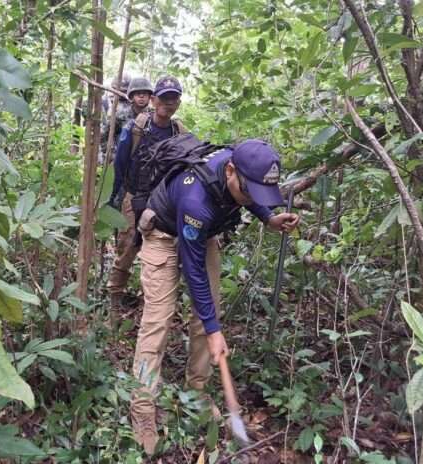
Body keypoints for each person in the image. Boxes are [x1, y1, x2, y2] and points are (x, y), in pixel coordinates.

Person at [129, 139, 300, 454]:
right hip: (163, 234)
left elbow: (248, 194)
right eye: (250, 191)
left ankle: (197, 392)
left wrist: (268, 217)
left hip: (203, 234)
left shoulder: (242, 171)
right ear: (230, 171)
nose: (252, 197)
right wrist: (213, 330)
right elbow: (193, 270)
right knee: (158, 322)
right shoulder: (196, 199)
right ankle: (142, 409)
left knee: (208, 315)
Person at [105, 76, 187, 312]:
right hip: (134, 197)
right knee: (127, 249)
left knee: (161, 253)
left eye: (173, 99)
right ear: (154, 100)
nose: (168, 103)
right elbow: (120, 165)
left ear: (178, 103)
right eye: (164, 98)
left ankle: (152, 303)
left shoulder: (179, 131)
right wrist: (114, 200)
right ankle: (114, 301)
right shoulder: (136, 128)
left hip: (165, 203)